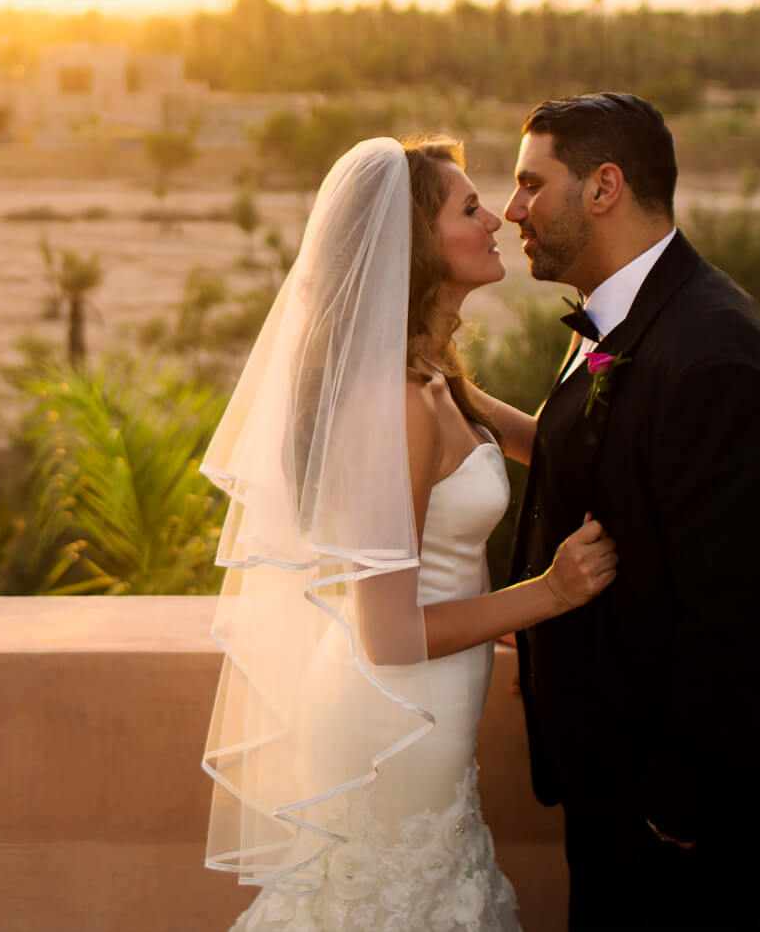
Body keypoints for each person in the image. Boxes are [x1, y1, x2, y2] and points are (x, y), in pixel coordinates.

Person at [497, 92, 760, 930]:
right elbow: (605, 471)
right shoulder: (634, 316)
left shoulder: (710, 352)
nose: (514, 207)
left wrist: (677, 813)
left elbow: (741, 621)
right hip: (614, 791)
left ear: (603, 187)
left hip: (681, 830)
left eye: (530, 183)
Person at [201, 134, 616, 932]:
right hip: (390, 720)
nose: (496, 218)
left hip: (428, 710)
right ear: (415, 245)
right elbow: (387, 631)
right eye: (469, 208)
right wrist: (551, 593)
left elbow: (554, 450)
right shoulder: (398, 401)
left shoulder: (437, 379)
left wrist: (628, 358)